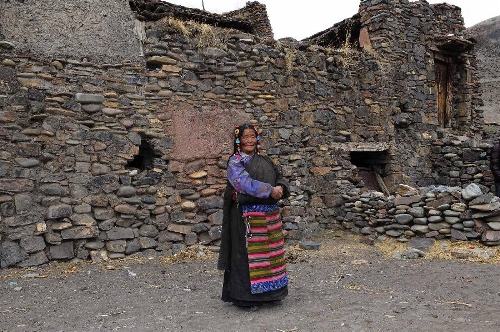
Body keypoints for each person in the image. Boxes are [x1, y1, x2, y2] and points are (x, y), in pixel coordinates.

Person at [217, 123, 290, 310]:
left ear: (257, 139)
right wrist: (269, 190)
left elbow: (279, 176)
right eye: (245, 137)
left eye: (252, 136)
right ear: (238, 140)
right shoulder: (235, 162)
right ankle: (245, 298)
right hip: (246, 218)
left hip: (269, 217)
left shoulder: (265, 160)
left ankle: (271, 294)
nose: (249, 140)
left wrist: (281, 187)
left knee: (270, 257)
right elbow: (244, 183)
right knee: (246, 257)